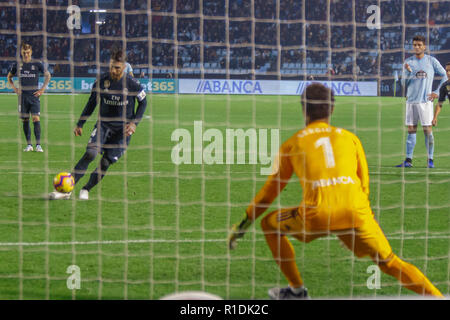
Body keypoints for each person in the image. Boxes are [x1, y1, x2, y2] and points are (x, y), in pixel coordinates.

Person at [228, 83, 443, 300]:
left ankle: (296, 290)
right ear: (331, 109)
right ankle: (438, 298)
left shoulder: (291, 144)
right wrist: (363, 220)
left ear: (303, 109)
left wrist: (243, 225)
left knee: (269, 224)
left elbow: (269, 193)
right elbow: (364, 184)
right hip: (357, 213)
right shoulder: (350, 138)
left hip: (315, 215)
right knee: (390, 262)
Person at [49, 49, 147, 200]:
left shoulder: (133, 84)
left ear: (124, 67)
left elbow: (143, 103)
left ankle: (86, 188)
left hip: (123, 131)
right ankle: (66, 191)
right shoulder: (102, 81)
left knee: (106, 163)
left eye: (117, 68)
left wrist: (134, 123)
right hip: (104, 126)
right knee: (90, 153)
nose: (113, 71)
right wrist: (80, 123)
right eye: (111, 67)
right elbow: (91, 103)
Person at [396, 35, 447, 168]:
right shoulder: (408, 62)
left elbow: (445, 75)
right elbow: (403, 83)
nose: (417, 47)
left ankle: (430, 159)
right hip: (411, 101)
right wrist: (407, 73)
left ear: (424, 46)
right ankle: (408, 160)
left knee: (427, 130)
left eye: (419, 45)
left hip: (425, 102)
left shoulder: (431, 61)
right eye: (415, 45)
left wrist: (436, 91)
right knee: (411, 130)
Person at [7, 42, 51, 152]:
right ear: (21, 53)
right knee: (25, 120)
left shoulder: (37, 64)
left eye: (27, 52)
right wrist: (15, 88)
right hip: (22, 98)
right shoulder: (17, 65)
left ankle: (38, 145)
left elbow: (48, 75)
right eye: (24, 52)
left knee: (36, 118)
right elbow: (9, 77)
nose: (26, 54)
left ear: (31, 52)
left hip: (34, 97)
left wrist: (42, 89)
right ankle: (29, 145)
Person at [432, 62, 450, 126]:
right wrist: (434, 118)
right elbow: (440, 103)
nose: (448, 73)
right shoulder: (445, 86)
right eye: (447, 71)